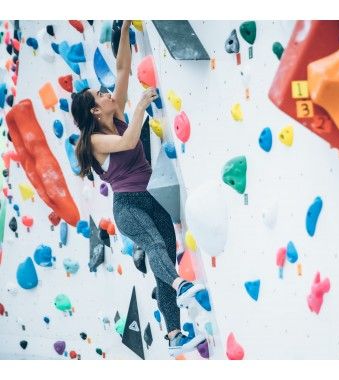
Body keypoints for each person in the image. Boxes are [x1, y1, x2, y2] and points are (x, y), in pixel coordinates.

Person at [70, 20, 206, 355]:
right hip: (128, 206)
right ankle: (181, 284)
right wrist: (142, 107)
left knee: (163, 259)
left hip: (151, 196)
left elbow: (122, 66)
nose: (107, 93)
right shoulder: (95, 141)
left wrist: (127, 23)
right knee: (156, 246)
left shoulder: (113, 111)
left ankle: (174, 337)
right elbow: (130, 140)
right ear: (93, 109)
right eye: (100, 95)